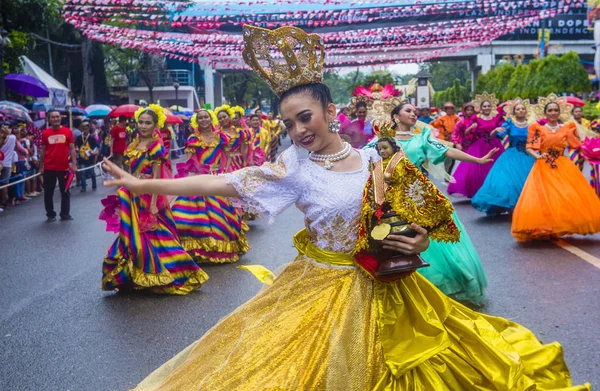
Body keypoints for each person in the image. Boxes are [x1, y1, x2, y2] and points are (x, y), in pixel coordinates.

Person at [104, 25, 589, 391]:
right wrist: (146, 182)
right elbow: (223, 182)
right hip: (317, 286)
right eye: (289, 124)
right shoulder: (292, 166)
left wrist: (418, 236)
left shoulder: (378, 156)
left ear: (330, 112)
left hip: (389, 284)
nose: (297, 130)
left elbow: (424, 217)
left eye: (305, 117)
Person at [365, 103, 496, 305]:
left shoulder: (421, 139)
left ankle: (442, 290)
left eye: (414, 111)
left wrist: (477, 160)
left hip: (420, 198)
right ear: (396, 116)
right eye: (408, 110)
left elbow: (446, 151)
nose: (413, 113)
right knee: (399, 243)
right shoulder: (381, 140)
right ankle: (408, 292)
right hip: (392, 201)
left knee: (436, 242)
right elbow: (361, 157)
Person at [101, 104, 208, 294]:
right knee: (130, 234)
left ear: (155, 125)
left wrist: (153, 206)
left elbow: (158, 180)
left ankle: (163, 272)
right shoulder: (133, 144)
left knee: (154, 235)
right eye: (140, 122)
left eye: (147, 123)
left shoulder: (156, 147)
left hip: (149, 196)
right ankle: (132, 275)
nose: (143, 126)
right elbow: (129, 171)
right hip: (131, 196)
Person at [512, 95, 600, 241]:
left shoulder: (566, 129)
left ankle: (561, 225)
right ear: (545, 113)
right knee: (545, 197)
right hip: (543, 165)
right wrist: (537, 156)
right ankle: (546, 226)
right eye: (550, 110)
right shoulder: (537, 129)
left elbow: (577, 146)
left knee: (564, 195)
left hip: (562, 164)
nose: (553, 113)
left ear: (559, 113)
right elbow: (529, 147)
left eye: (555, 110)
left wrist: (594, 153)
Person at [171, 109, 250, 263]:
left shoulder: (220, 137)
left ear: (211, 118)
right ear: (196, 121)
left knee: (221, 214)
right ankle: (196, 247)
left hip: (217, 178)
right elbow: (189, 161)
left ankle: (219, 247)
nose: (203, 120)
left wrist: (225, 174)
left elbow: (227, 158)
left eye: (206, 117)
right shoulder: (193, 138)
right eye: (200, 118)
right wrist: (193, 175)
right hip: (200, 178)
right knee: (191, 214)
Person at [472, 99, 536, 216]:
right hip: (511, 156)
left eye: (522, 109)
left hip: (528, 156)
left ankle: (525, 205)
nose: (520, 111)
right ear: (514, 112)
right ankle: (512, 206)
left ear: (526, 111)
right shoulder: (509, 124)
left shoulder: (532, 125)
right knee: (508, 181)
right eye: (518, 109)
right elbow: (494, 136)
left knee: (528, 181)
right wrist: (494, 130)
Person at [447, 94, 505, 198]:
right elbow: (466, 133)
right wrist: (470, 129)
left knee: (496, 169)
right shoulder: (476, 119)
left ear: (491, 107)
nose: (487, 108)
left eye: (488, 106)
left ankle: (495, 190)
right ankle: (479, 191)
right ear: (481, 108)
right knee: (478, 169)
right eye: (484, 106)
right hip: (480, 146)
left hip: (494, 145)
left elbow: (501, 129)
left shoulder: (496, 118)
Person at [40, 110, 77, 222]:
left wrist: (74, 164)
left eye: (57, 116)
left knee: (65, 191)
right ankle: (50, 214)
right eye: (53, 117)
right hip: (49, 167)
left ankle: (65, 214)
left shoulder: (68, 132)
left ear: (60, 118)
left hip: (64, 167)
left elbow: (72, 148)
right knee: (48, 192)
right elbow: (43, 150)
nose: (56, 119)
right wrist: (41, 166)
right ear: (49, 119)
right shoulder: (45, 133)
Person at [216, 104, 249, 170]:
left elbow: (244, 150)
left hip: (239, 161)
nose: (222, 119)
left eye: (224, 117)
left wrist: (245, 163)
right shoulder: (217, 134)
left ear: (229, 116)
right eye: (220, 118)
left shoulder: (240, 132)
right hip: (224, 163)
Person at [430, 102, 460, 174]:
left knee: (453, 158)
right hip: (444, 141)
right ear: (445, 110)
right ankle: (447, 173)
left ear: (453, 109)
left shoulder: (457, 118)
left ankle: (448, 173)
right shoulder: (441, 119)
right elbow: (433, 125)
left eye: (451, 108)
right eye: (447, 109)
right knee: (447, 158)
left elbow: (461, 128)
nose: (449, 110)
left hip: (454, 141)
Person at [75, 120, 99, 193]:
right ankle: (83, 187)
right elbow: (76, 146)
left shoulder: (91, 138)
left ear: (88, 129)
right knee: (82, 172)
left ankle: (94, 184)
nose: (85, 130)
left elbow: (96, 147)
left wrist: (94, 152)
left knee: (92, 173)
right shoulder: (79, 138)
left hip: (90, 159)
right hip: (82, 159)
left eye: (86, 129)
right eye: (83, 129)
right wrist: (76, 149)